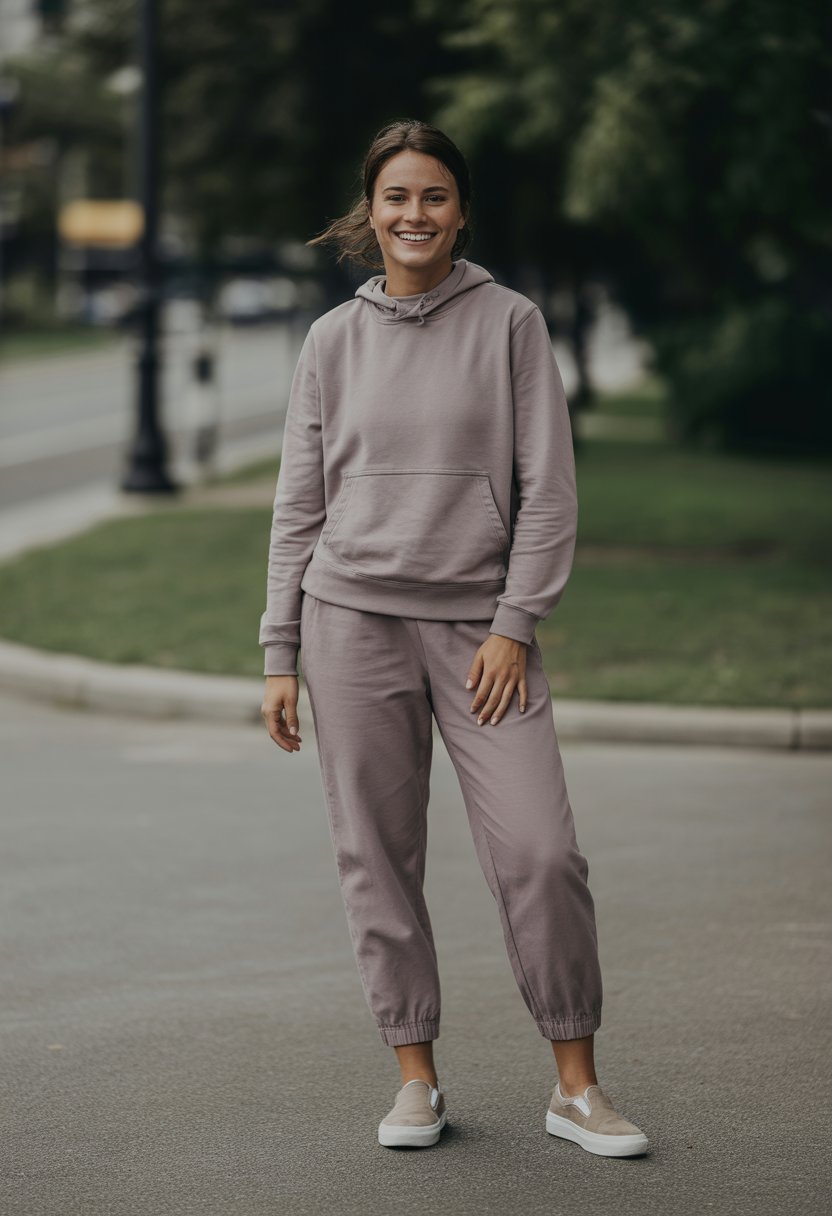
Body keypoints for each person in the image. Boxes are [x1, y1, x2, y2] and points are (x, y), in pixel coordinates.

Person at [259, 119, 648, 1158]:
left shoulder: (510, 323)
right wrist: (279, 651)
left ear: (461, 211)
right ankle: (416, 1079)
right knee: (376, 858)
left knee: (542, 853)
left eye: (434, 195)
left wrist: (515, 623)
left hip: (482, 634)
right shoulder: (330, 341)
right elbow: (299, 506)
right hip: (351, 625)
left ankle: (577, 1087)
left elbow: (548, 491)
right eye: (396, 196)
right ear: (371, 210)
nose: (414, 214)